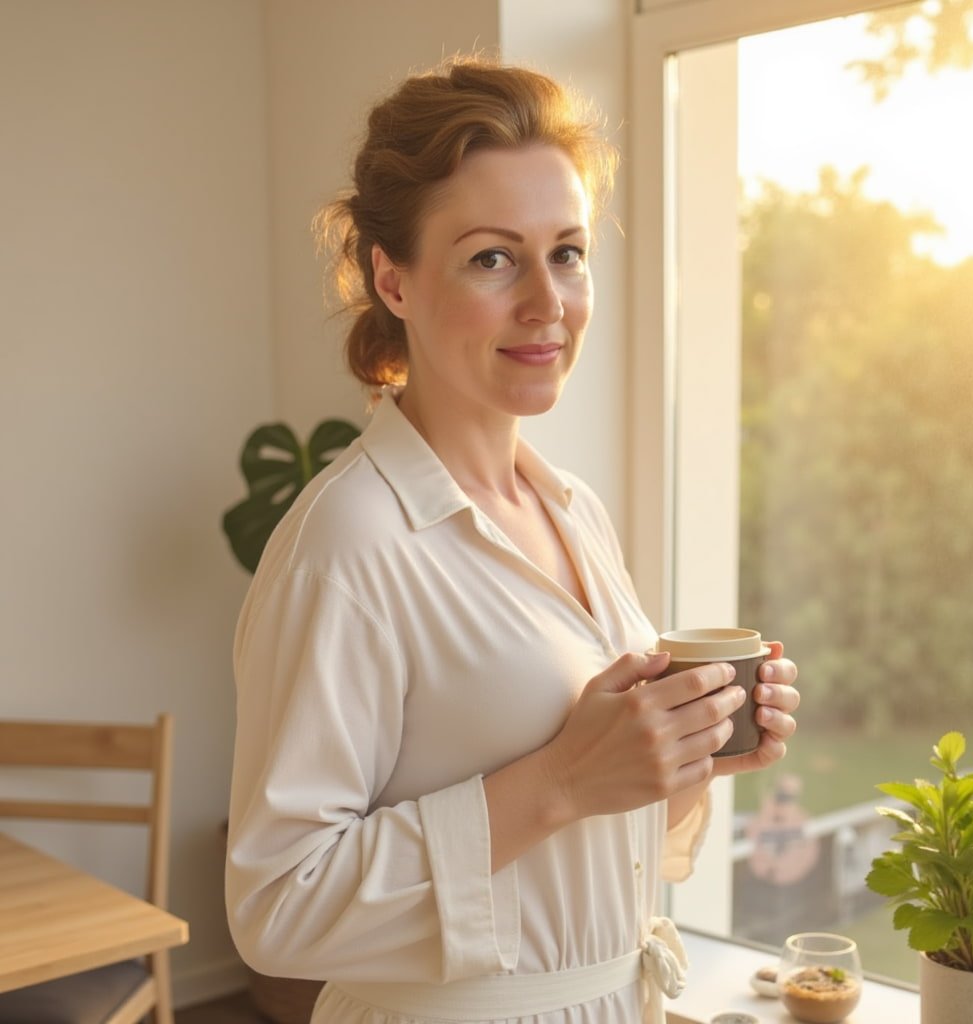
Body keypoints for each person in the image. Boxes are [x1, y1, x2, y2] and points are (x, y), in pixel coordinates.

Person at [225, 55, 800, 1024]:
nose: (548, 301)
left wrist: (686, 749)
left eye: (566, 252)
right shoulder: (348, 543)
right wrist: (559, 779)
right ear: (392, 278)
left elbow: (586, 843)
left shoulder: (572, 507)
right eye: (493, 257)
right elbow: (276, 905)